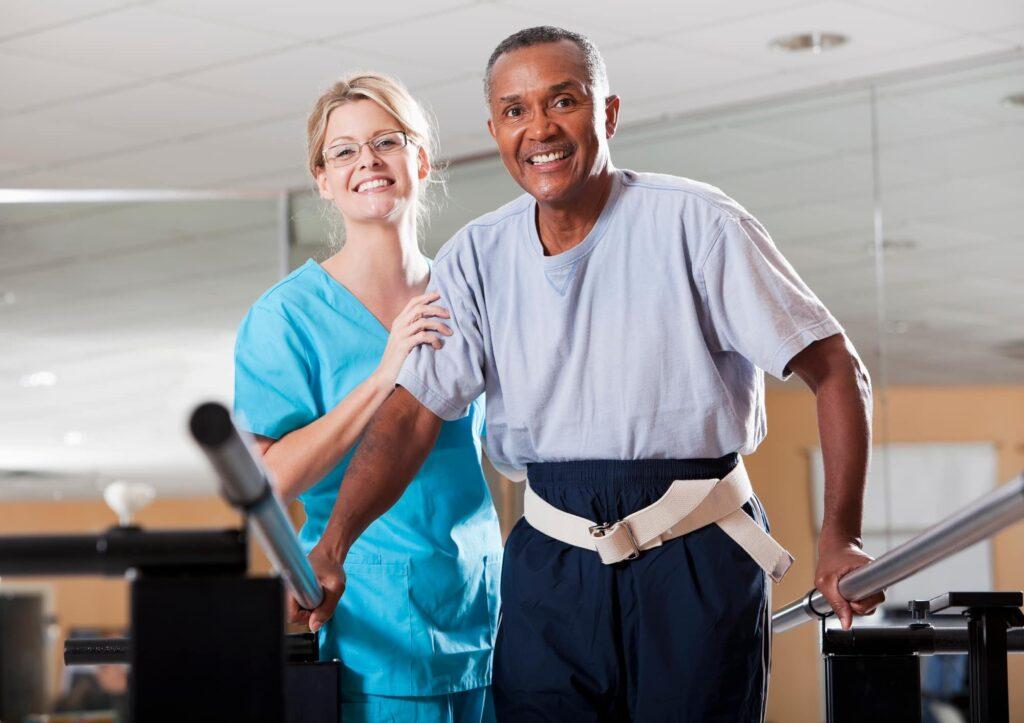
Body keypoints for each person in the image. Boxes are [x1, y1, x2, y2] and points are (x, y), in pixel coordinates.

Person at [297, 27, 885, 722]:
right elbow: (414, 413)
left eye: (563, 101)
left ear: (606, 113)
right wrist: (331, 547)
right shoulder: (477, 256)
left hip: (694, 550)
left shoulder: (697, 222)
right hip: (553, 563)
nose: (539, 128)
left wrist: (839, 534)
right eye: (515, 111)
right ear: (495, 130)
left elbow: (836, 367)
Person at [232, 73, 501, 723]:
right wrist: (384, 376)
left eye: (387, 140)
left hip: (487, 620)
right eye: (344, 151)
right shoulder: (287, 317)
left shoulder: (468, 296)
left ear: (422, 160)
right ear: (322, 179)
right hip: (372, 630)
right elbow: (268, 480)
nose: (367, 161)